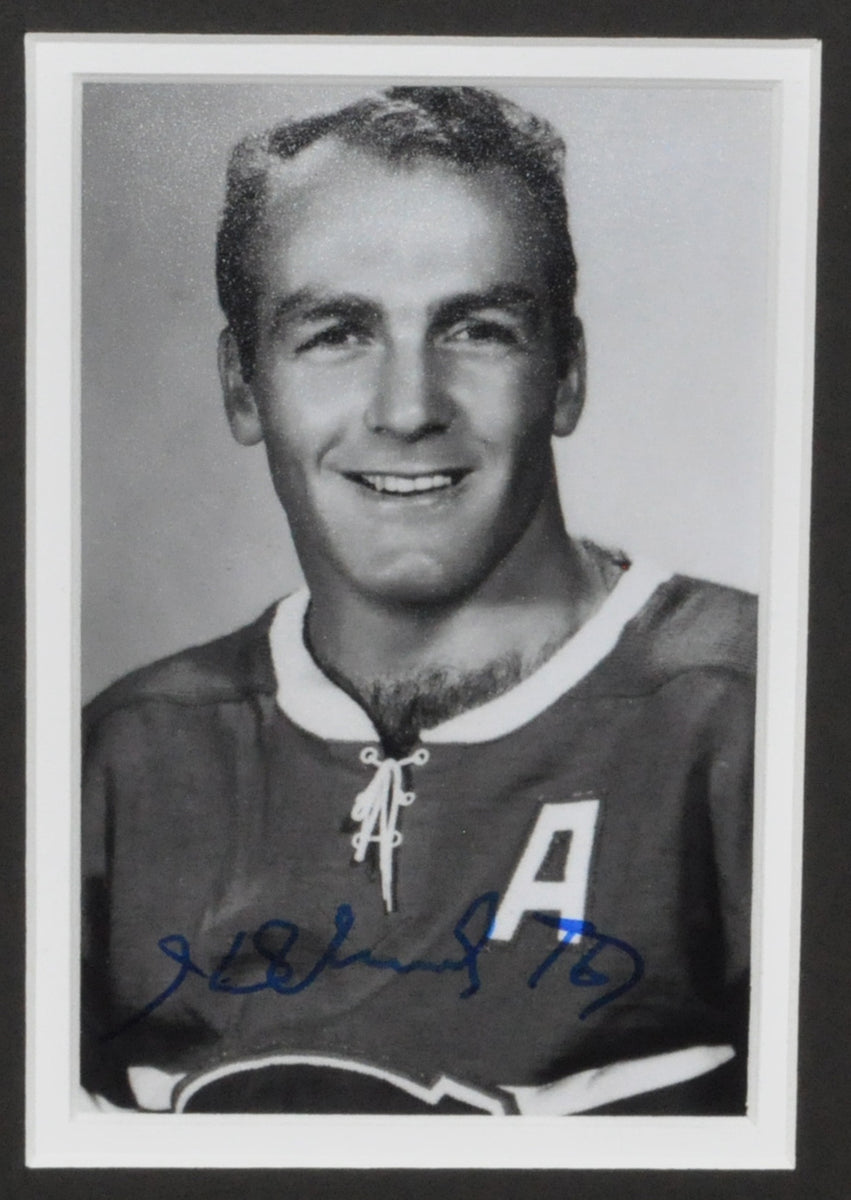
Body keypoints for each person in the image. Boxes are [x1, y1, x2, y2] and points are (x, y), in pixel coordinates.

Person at [81, 86, 756, 1116]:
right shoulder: (122, 759)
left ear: (565, 373)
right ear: (241, 387)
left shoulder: (755, 714)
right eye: (336, 334)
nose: (407, 408)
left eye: (477, 330)